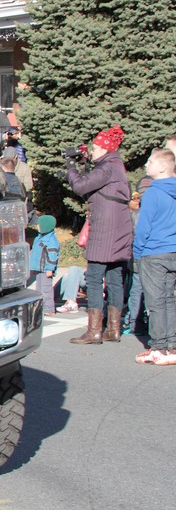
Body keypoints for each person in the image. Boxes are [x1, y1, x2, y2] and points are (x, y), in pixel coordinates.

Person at [66, 125, 132, 344]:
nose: (92, 151)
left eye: (94, 147)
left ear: (105, 148)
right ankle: (113, 329)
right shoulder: (116, 166)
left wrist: (70, 168)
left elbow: (82, 187)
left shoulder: (107, 167)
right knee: (114, 277)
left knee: (93, 277)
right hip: (120, 229)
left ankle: (94, 330)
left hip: (105, 229)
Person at [132, 148, 176, 364]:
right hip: (172, 250)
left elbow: (143, 228)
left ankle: (158, 346)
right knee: (169, 298)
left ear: (161, 167)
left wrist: (137, 253)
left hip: (153, 252)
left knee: (156, 301)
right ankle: (172, 346)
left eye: (150, 161)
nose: (145, 165)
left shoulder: (153, 193)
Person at [122, 175, 153, 336]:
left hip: (138, 260)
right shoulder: (159, 212)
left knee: (137, 291)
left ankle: (135, 323)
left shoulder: (135, 215)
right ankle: (152, 323)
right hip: (154, 258)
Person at [30, 215, 60, 316]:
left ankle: (49, 309)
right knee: (39, 290)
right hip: (39, 269)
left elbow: (52, 256)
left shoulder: (51, 240)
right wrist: (33, 268)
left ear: (45, 226)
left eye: (39, 225)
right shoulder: (38, 238)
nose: (37, 226)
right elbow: (35, 255)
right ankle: (40, 307)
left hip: (46, 270)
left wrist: (50, 269)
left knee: (46, 289)